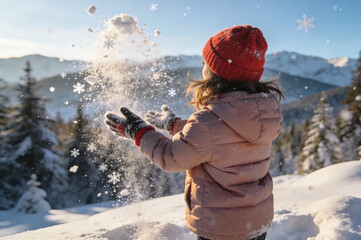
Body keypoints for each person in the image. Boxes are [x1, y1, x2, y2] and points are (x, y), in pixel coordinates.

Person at [105, 25, 284, 240]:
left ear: (215, 73)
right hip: (255, 223)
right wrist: (175, 125)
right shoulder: (263, 113)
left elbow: (171, 157)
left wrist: (139, 132)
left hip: (220, 229)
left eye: (205, 63)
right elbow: (222, 141)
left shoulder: (208, 123)